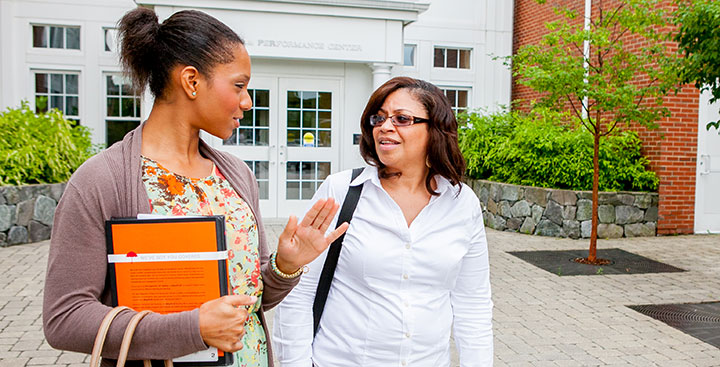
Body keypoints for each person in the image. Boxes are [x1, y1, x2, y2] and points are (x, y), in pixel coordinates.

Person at [42, 8, 348, 367]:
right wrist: (192, 328)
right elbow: (64, 318)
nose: (247, 101)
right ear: (191, 81)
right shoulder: (102, 180)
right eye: (239, 85)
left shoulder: (235, 174)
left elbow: (247, 302)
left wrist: (284, 266)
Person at [272, 76, 493, 366]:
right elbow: (299, 293)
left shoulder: (461, 203)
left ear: (435, 130)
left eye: (402, 118)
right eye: (379, 118)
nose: (385, 127)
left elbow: (472, 306)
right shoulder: (341, 191)